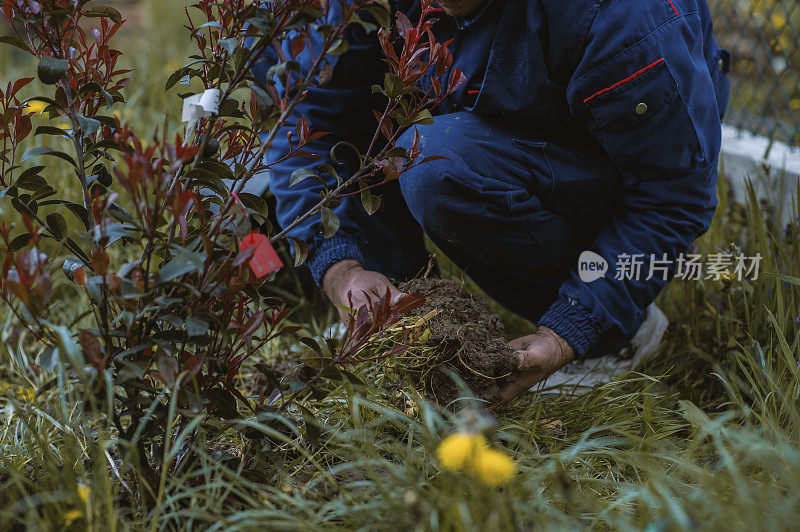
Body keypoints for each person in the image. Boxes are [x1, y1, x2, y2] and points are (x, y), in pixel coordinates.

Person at [249, 0, 730, 405]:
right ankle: (397, 308)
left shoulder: (621, 18)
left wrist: (567, 334)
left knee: (435, 164)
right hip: (496, 118)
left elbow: (670, 197)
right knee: (381, 133)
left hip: (603, 158)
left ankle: (614, 337)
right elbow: (313, 123)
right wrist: (343, 269)